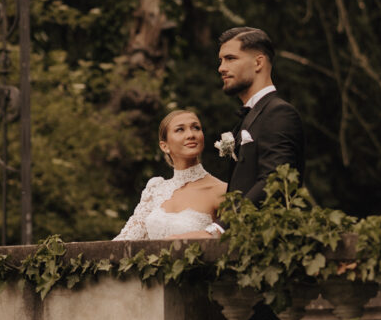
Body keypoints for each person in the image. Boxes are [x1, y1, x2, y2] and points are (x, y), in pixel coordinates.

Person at [214, 26, 305, 207]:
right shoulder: (250, 116)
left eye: (230, 58)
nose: (221, 68)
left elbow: (274, 182)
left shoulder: (279, 113)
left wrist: (228, 222)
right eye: (221, 60)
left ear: (258, 63)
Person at [113, 109, 226, 240]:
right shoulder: (155, 190)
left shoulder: (221, 190)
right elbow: (125, 240)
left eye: (196, 128)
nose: (191, 135)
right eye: (180, 129)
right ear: (164, 146)